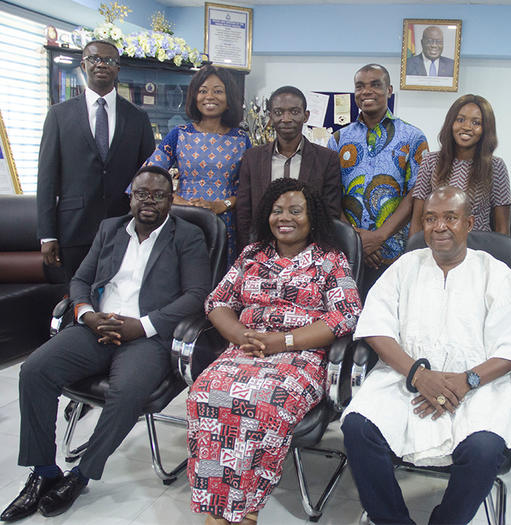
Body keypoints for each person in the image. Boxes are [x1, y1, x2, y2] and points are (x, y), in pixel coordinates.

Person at [1, 166, 211, 521]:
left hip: (147, 336)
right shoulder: (110, 229)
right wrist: (87, 315)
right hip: (96, 327)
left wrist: (141, 326)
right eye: (142, 194)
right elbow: (81, 279)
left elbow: (196, 295)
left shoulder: (187, 236)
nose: (149, 201)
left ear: (170, 200)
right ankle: (44, 471)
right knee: (34, 371)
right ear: (131, 197)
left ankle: (81, 474)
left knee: (126, 391)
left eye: (159, 195)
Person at [341, 186, 511, 525]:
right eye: (430, 218)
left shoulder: (494, 272)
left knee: (484, 448)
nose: (439, 226)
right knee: (358, 427)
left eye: (450, 218)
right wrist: (419, 376)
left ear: (468, 224)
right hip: (404, 379)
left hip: (477, 386)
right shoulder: (404, 266)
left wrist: (467, 380)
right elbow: (375, 328)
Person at [186, 178, 362, 525]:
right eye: (277, 210)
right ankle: (218, 510)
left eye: (296, 211)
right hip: (245, 349)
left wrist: (282, 342)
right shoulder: (252, 254)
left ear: (312, 218)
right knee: (204, 394)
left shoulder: (330, 259)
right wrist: (241, 335)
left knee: (264, 403)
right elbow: (218, 301)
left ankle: (247, 510)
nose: (285, 218)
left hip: (301, 355)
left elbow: (347, 314)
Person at [37, 40, 155, 281]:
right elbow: (46, 179)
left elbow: (149, 177)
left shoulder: (138, 118)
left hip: (124, 227)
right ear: (83, 65)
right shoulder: (59, 115)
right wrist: (47, 235)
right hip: (73, 229)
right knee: (75, 296)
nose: (102, 64)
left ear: (118, 68)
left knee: (118, 296)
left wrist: (148, 226)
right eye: (94, 59)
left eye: (109, 60)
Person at [327, 63, 428, 297]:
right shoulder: (338, 139)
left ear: (389, 90)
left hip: (394, 253)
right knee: (346, 313)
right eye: (360, 86)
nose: (366, 91)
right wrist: (356, 239)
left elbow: (418, 192)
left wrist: (379, 236)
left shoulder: (413, 137)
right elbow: (330, 194)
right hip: (347, 252)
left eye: (375, 85)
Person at [145, 64, 251, 266]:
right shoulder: (179, 134)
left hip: (224, 223)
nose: (209, 96)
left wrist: (222, 205)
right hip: (182, 219)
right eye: (203, 91)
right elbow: (148, 177)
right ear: (194, 97)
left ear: (229, 99)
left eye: (218, 91)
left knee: (219, 278)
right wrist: (178, 201)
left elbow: (248, 188)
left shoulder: (241, 139)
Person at [235, 85, 341, 251]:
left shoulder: (327, 159)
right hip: (261, 250)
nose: (286, 118)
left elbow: (330, 213)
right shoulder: (252, 158)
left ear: (306, 116)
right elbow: (243, 214)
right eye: (278, 112)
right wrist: (250, 252)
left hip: (310, 251)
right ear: (270, 116)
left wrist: (317, 252)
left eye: (294, 112)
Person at [409, 94, 511, 237]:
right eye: (460, 120)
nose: (466, 127)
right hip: (437, 244)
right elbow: (417, 222)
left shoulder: (495, 166)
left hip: (479, 246)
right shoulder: (430, 161)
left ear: (486, 129)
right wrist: (415, 249)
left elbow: (503, 229)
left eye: (476, 123)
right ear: (451, 123)